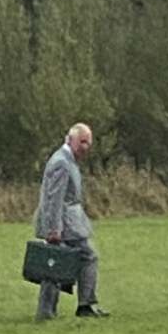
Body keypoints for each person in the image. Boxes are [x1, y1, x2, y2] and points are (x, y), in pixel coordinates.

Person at [33, 123, 109, 320]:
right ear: (70, 139)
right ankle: (83, 305)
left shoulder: (68, 160)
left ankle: (48, 311)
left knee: (56, 265)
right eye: (82, 142)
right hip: (64, 224)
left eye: (88, 143)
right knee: (83, 258)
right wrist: (54, 229)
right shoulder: (61, 162)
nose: (86, 147)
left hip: (69, 222)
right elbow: (54, 198)